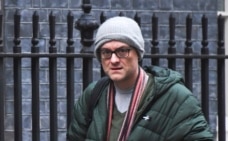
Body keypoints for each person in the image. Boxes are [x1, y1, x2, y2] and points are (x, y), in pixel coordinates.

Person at [67, 16, 213, 141]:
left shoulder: (176, 97)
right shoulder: (93, 94)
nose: (113, 60)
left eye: (122, 51)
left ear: (138, 53)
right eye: (106, 52)